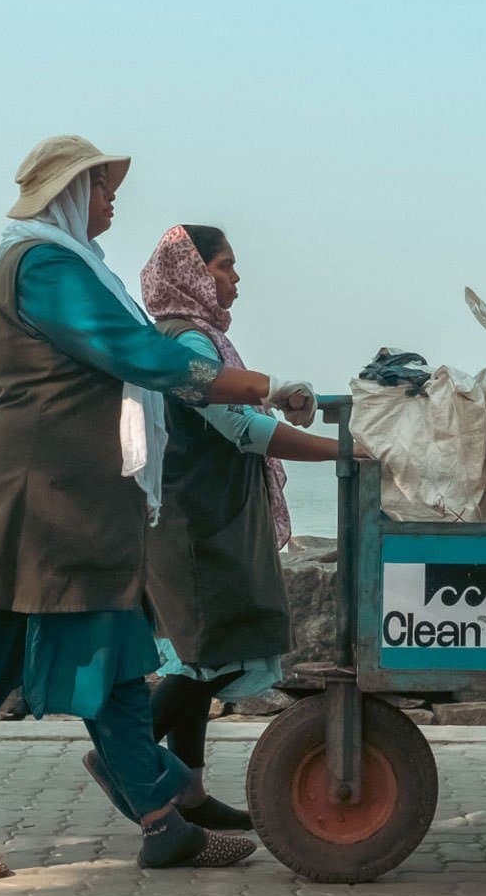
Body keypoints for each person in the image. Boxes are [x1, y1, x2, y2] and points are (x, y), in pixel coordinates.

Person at [0, 135, 322, 881]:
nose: (113, 197)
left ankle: (161, 822)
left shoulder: (71, 265)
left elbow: (130, 355)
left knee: (113, 662)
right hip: (25, 509)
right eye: (101, 185)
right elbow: (127, 349)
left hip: (71, 510)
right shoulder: (45, 266)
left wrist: (246, 386)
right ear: (66, 194)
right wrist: (241, 384)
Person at [122, 224, 344, 828]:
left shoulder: (171, 335)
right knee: (212, 654)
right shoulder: (191, 342)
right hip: (200, 525)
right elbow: (242, 429)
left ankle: (189, 792)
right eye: (225, 266)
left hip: (191, 517)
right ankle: (126, 757)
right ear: (193, 273)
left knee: (194, 658)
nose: (236, 278)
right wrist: (344, 450)